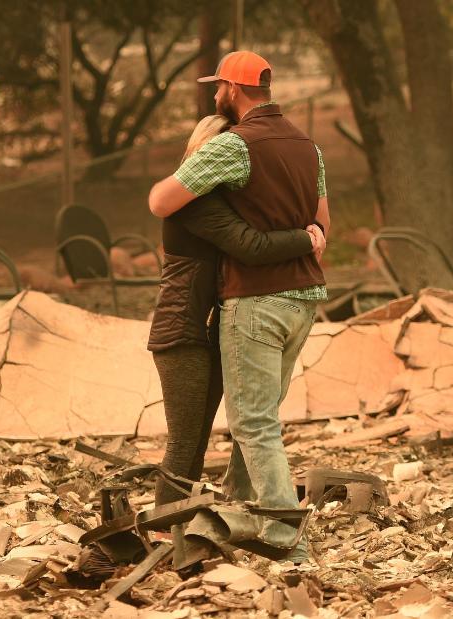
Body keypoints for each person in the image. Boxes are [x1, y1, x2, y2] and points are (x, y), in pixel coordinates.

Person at [148, 51, 329, 564]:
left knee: (252, 424)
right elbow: (323, 224)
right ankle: (240, 510)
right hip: (304, 299)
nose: (214, 94)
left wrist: (194, 173)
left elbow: (162, 201)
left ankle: (285, 535)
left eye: (219, 86)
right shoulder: (308, 146)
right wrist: (306, 236)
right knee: (260, 417)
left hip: (256, 300)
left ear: (234, 87)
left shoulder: (236, 145)